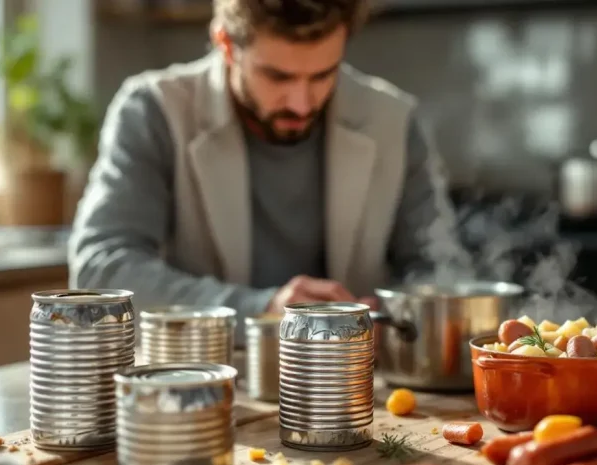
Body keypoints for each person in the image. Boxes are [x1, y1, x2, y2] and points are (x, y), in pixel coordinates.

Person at [68, 0, 459, 337]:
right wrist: (262, 307)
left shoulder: (394, 121)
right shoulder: (154, 111)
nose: (302, 103)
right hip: (199, 391)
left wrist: (398, 310)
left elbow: (443, 271)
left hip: (355, 391)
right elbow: (101, 272)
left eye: (324, 75)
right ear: (226, 44)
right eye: (277, 76)